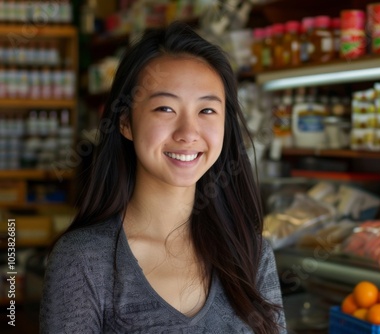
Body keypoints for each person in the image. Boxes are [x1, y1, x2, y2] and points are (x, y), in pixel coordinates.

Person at [40, 21, 286, 333]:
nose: (188, 133)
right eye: (165, 109)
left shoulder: (252, 254)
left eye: (207, 111)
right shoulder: (84, 259)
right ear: (126, 122)